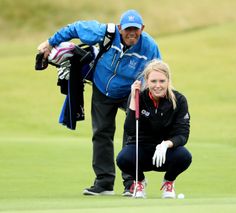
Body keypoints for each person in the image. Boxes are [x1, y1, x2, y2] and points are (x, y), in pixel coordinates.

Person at [37, 9, 161, 196]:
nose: (132, 33)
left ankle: (131, 183)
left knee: (131, 132)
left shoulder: (149, 46)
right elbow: (76, 28)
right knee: (101, 132)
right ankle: (104, 182)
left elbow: (157, 70)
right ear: (120, 28)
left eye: (136, 29)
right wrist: (49, 43)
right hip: (102, 88)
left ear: (142, 28)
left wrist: (146, 94)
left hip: (131, 91)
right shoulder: (106, 32)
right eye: (128, 29)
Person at [116, 59, 192, 198]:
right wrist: (133, 98)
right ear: (146, 81)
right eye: (153, 81)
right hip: (141, 151)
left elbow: (182, 134)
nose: (158, 85)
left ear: (168, 81)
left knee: (184, 156)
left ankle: (169, 181)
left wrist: (166, 144)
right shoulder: (139, 97)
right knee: (123, 158)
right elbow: (130, 130)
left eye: (162, 81)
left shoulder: (179, 100)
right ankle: (139, 181)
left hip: (166, 153)